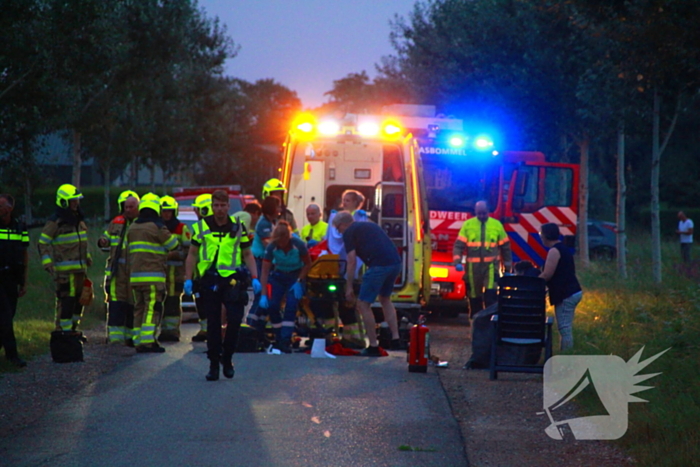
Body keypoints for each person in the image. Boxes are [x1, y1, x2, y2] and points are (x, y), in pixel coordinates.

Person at [184, 190, 261, 381]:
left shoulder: (237, 227)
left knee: (235, 320)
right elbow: (192, 253)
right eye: (216, 205)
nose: (219, 209)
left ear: (228, 206)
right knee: (213, 323)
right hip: (209, 279)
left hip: (232, 279)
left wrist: (255, 277)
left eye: (222, 205)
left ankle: (227, 358)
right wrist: (188, 278)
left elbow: (247, 254)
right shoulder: (201, 226)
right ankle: (213, 364)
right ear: (212, 206)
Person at [333, 211, 402, 356]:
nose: (338, 232)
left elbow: (351, 260)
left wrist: (349, 286)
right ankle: (396, 339)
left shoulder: (349, 232)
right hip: (395, 263)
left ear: (343, 224)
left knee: (363, 304)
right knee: (385, 299)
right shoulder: (369, 225)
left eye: (338, 228)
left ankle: (373, 346)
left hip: (378, 266)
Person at [127, 193, 178, 353]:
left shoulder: (133, 227)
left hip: (135, 277)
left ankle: (137, 339)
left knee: (139, 308)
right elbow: (173, 244)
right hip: (153, 277)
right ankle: (147, 341)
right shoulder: (157, 227)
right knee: (152, 308)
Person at [39, 184, 92, 332]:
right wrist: (47, 262)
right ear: (63, 202)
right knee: (66, 303)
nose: (76, 203)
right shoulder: (55, 222)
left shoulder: (78, 220)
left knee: (80, 302)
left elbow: (81, 242)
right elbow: (43, 242)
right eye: (72, 201)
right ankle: (62, 334)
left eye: (76, 200)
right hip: (64, 273)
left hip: (80, 270)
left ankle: (73, 331)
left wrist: (87, 256)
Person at [257, 221, 312, 353]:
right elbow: (265, 271)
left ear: (288, 237)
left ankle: (286, 339)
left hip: (295, 276)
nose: (282, 245)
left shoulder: (298, 245)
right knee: (272, 305)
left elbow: (307, 264)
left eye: (284, 241)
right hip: (278, 276)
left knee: (291, 305)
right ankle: (278, 336)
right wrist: (264, 294)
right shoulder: (271, 247)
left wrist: (299, 280)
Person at [452, 200, 512, 318]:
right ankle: (476, 324)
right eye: (479, 213)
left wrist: (507, 268)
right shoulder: (468, 225)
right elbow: (459, 245)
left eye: (484, 213)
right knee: (474, 297)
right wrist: (457, 262)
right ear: (475, 212)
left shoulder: (496, 225)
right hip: (473, 269)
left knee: (491, 296)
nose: (481, 216)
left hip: (491, 267)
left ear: (488, 212)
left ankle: (491, 324)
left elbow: (505, 247)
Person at [98, 190, 139, 345]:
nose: (128, 210)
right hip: (117, 272)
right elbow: (107, 237)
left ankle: (130, 337)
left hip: (134, 271)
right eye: (126, 207)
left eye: (131, 207)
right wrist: (102, 241)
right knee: (116, 303)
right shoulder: (117, 222)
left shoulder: (141, 224)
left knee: (132, 304)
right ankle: (115, 339)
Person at [539, 222, 582, 351]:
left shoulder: (554, 251)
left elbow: (547, 274)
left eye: (540, 234)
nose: (540, 237)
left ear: (546, 235)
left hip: (566, 294)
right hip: (571, 291)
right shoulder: (562, 248)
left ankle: (566, 359)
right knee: (565, 327)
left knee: (564, 329)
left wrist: (531, 282)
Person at [0, 194, 29, 367]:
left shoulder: (19, 227)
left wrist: (24, 281)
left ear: (9, 208)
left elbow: (24, 253)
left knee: (9, 315)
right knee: (4, 316)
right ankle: (12, 355)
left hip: (12, 278)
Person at [158, 196, 191, 342]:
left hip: (176, 275)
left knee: (173, 302)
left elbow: (187, 251)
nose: (167, 214)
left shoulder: (181, 228)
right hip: (160, 274)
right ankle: (161, 330)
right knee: (160, 302)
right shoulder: (156, 227)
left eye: (169, 211)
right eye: (164, 211)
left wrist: (173, 254)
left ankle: (172, 331)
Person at [247, 196, 281, 326]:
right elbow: (268, 244)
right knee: (261, 294)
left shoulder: (271, 221)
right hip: (260, 262)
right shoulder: (264, 224)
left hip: (264, 262)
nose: (279, 209)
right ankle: (251, 325)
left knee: (265, 294)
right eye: (277, 206)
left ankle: (259, 326)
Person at [191, 193, 213, 342]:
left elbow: (193, 253)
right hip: (201, 273)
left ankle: (209, 330)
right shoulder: (201, 227)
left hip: (207, 272)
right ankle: (206, 329)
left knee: (208, 303)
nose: (196, 213)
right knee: (201, 302)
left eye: (197, 210)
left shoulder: (201, 228)